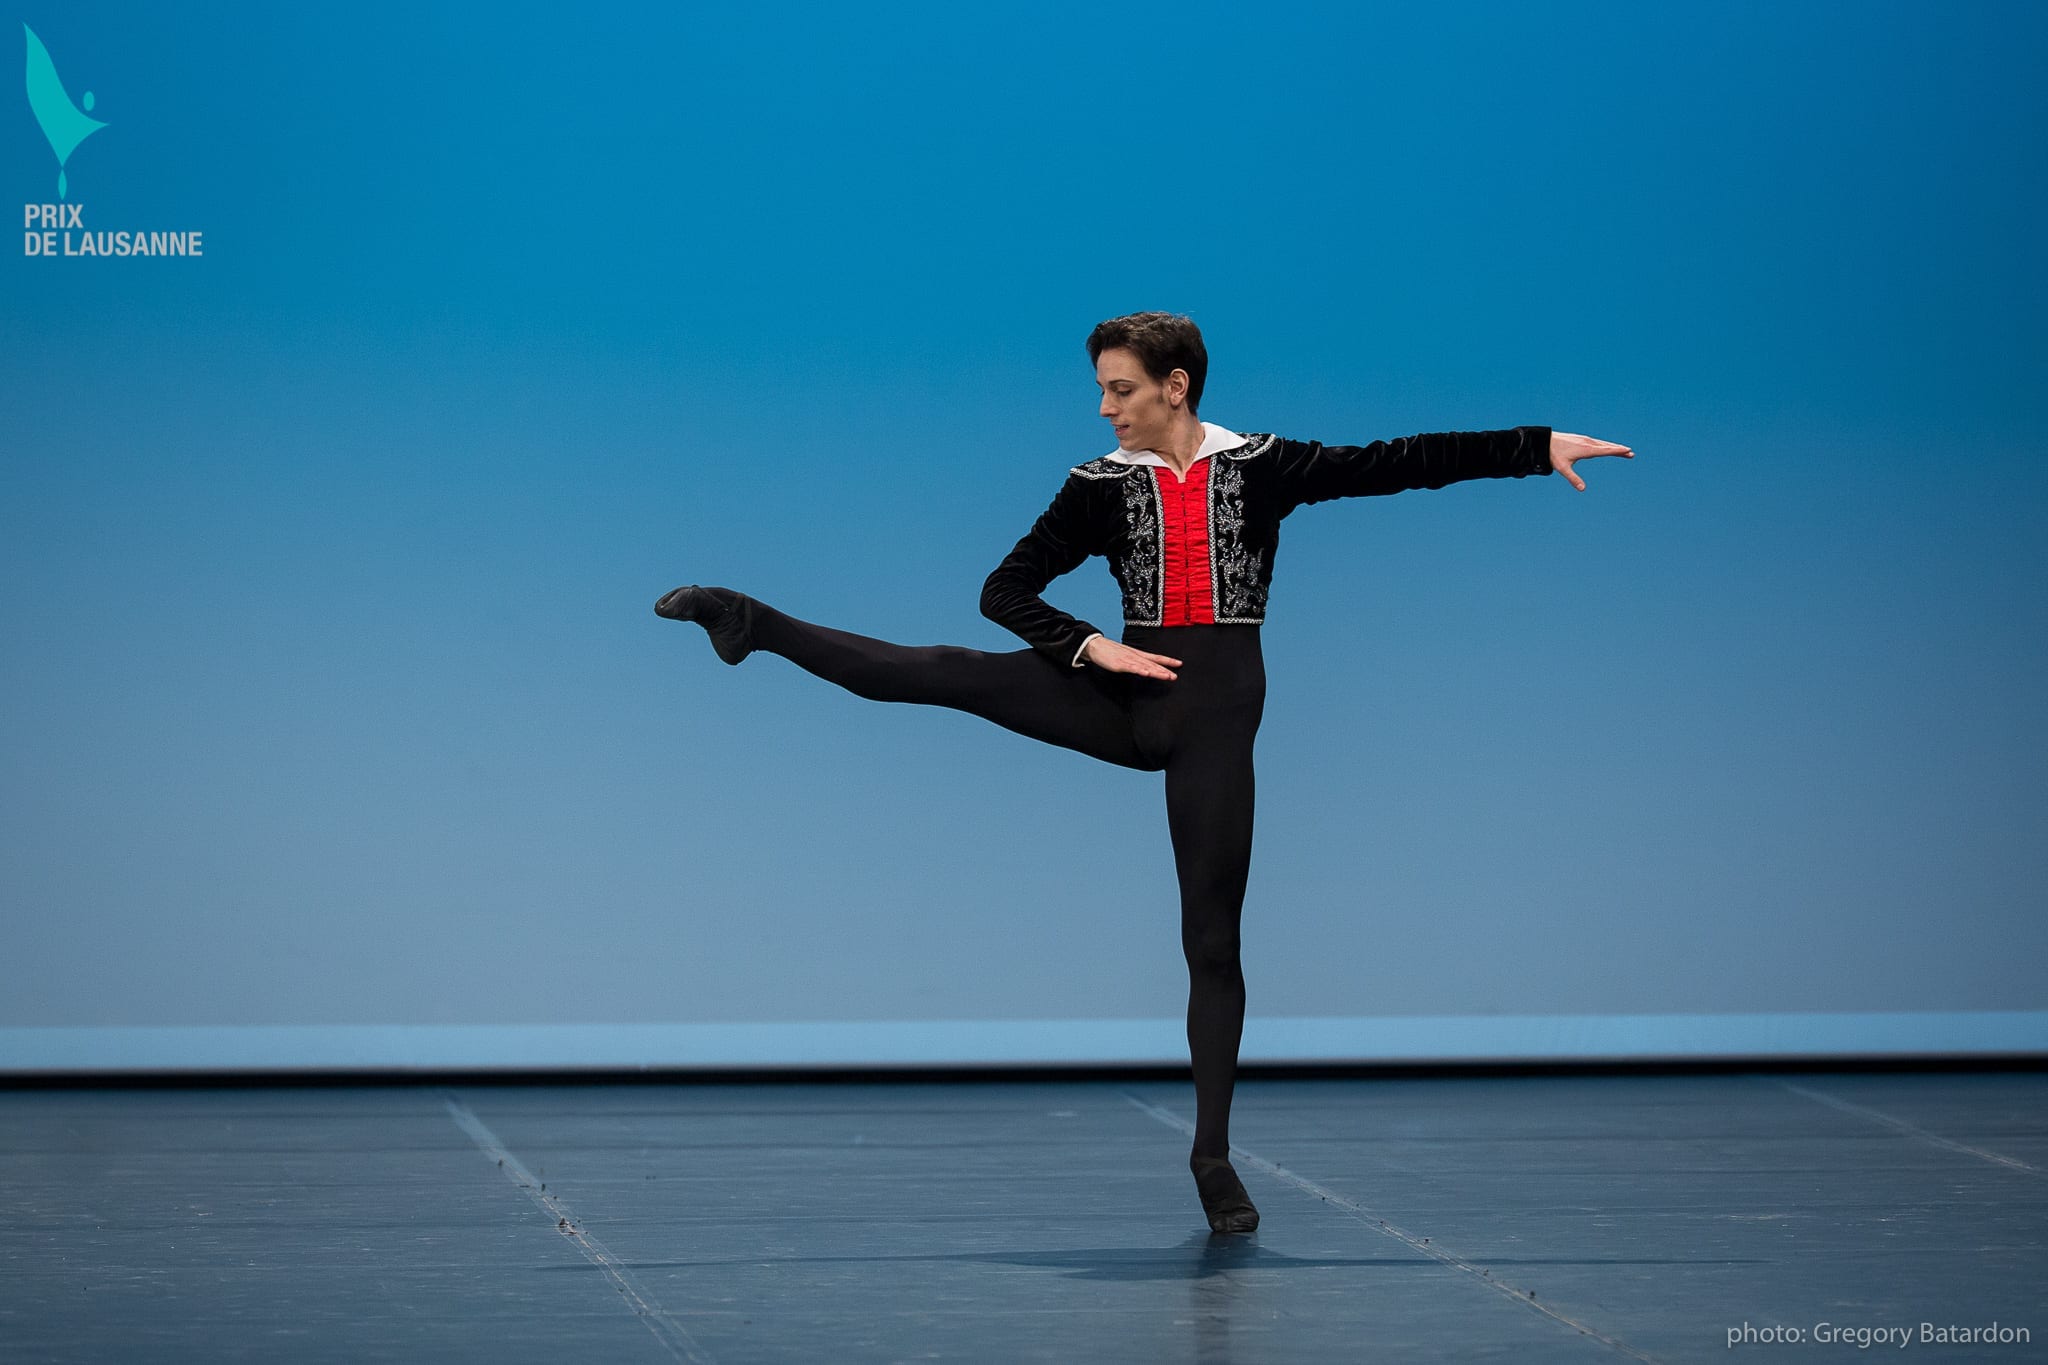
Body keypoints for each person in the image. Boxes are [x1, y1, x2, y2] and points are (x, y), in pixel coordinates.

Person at [655, 310, 1634, 1235]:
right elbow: (1003, 590)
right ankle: (754, 621)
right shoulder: (1097, 485)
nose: (1102, 407)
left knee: (1211, 942)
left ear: (1174, 386)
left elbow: (1404, 463)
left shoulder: (1265, 467)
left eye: (1117, 389)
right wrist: (1091, 649)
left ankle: (1211, 1161)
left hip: (1212, 716)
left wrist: (1534, 445)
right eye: (1098, 389)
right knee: (945, 671)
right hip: (1117, 693)